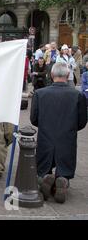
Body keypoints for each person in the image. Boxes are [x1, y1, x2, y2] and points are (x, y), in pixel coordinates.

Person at [31, 63, 87, 204]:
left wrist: (45, 126)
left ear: (51, 75)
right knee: (65, 168)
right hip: (67, 139)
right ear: (68, 75)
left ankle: (45, 179)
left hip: (46, 138)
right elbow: (82, 121)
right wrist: (70, 129)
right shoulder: (77, 95)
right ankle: (63, 180)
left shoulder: (40, 94)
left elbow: (34, 119)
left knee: (43, 169)